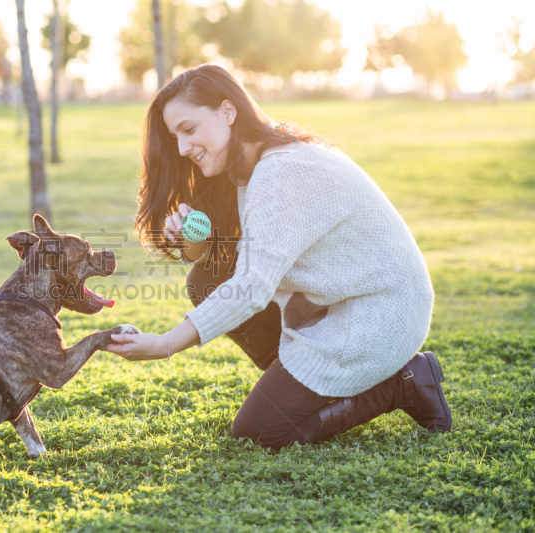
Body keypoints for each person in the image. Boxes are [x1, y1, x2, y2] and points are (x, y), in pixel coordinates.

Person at [104, 64, 452, 450]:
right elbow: (220, 263)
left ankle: (403, 383)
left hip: (379, 313)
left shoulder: (280, 173)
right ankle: (301, 387)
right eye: (176, 137)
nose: (183, 148)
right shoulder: (245, 170)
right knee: (206, 281)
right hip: (328, 305)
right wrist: (191, 238)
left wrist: (165, 344)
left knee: (257, 434)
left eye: (189, 129)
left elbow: (253, 287)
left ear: (228, 111)